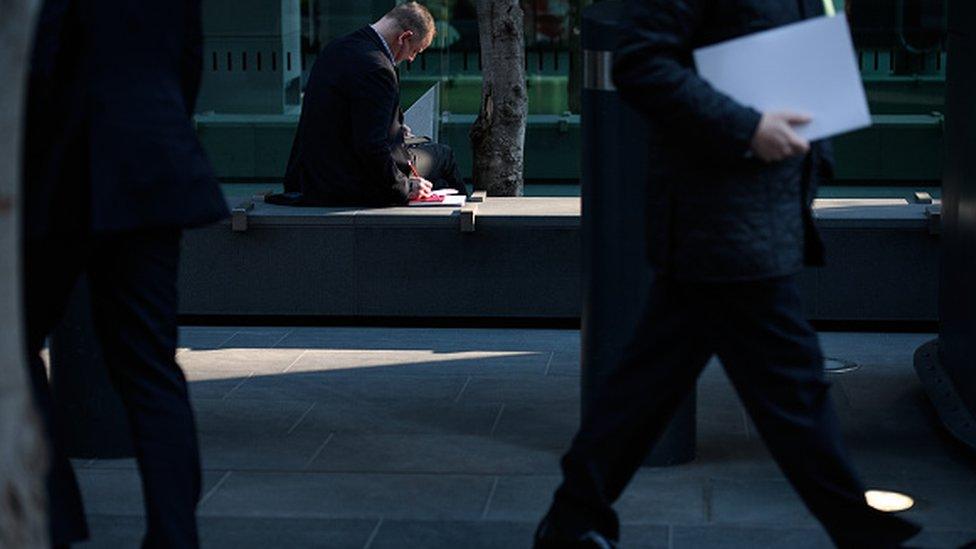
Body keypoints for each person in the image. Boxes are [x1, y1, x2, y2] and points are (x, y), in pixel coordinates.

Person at [533, 1, 923, 547]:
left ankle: (572, 518)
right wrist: (748, 127)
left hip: (753, 213)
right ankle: (862, 533)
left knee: (649, 386)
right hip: (723, 219)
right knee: (792, 387)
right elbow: (641, 62)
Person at [22, 0, 227, 546]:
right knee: (149, 365)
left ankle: (54, 515)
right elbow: (187, 66)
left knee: (14, 347)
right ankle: (174, 534)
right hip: (150, 171)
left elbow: (40, 64)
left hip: (63, 170)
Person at [281, 2, 469, 207]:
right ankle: (468, 231)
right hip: (350, 179)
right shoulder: (378, 69)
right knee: (443, 155)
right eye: (415, 51)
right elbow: (371, 146)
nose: (411, 59)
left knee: (436, 179)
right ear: (404, 37)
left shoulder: (335, 49)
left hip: (315, 174)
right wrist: (406, 187)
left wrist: (395, 128)